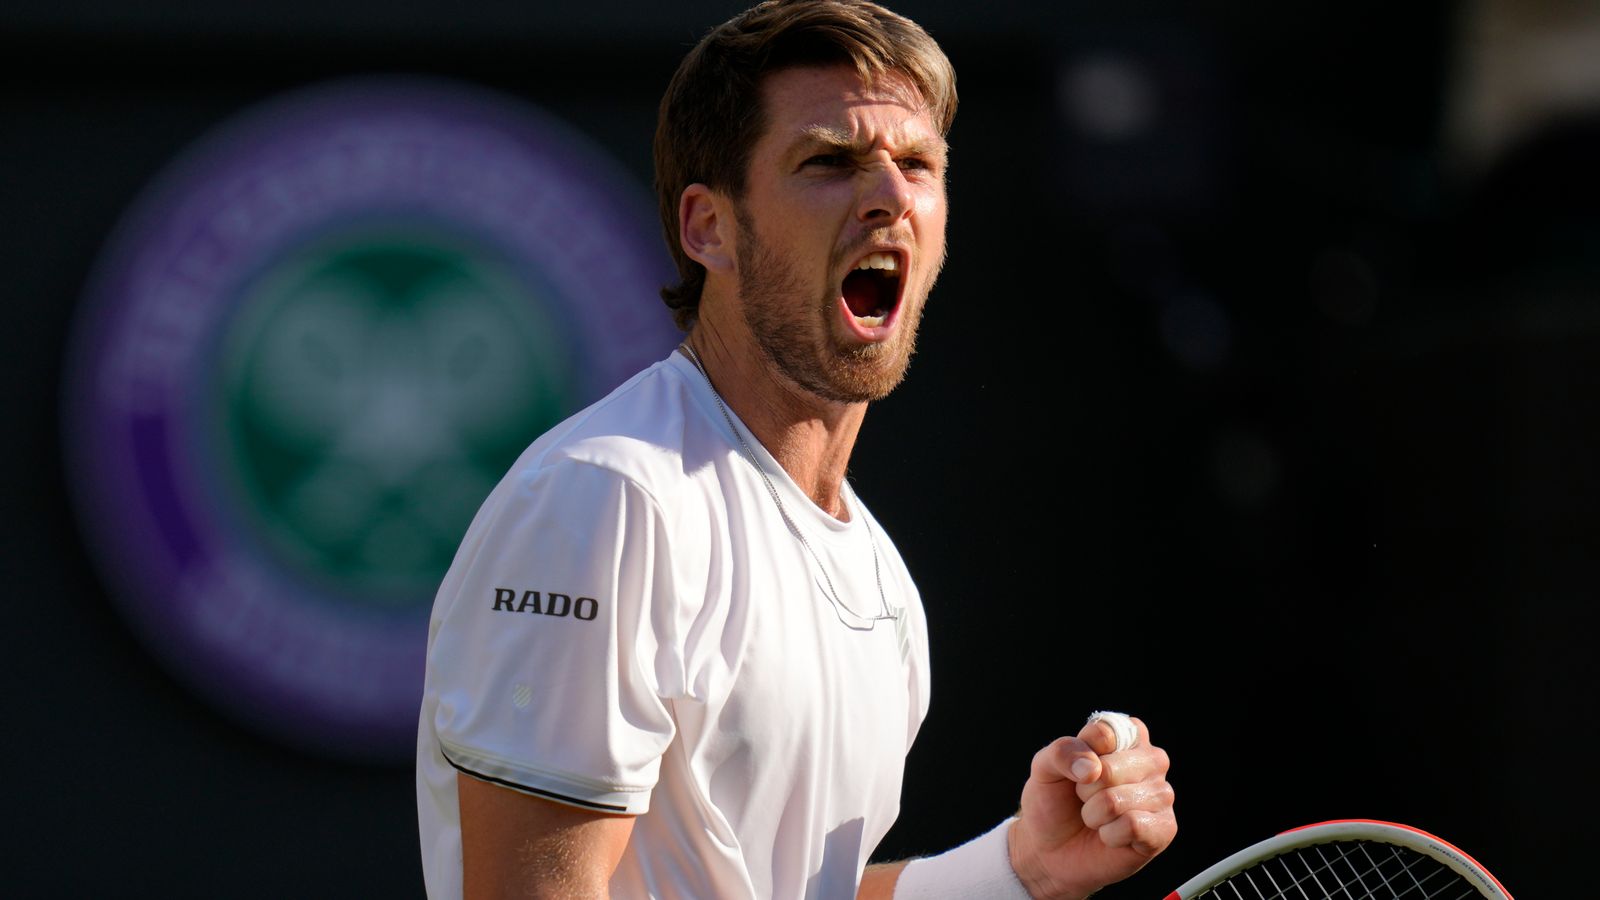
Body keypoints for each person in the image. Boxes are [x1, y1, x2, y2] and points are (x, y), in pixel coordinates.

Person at [415, 1, 1177, 897]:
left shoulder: (878, 572)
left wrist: (1018, 869)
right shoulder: (607, 499)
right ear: (710, 229)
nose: (891, 195)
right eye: (830, 162)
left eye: (919, 165)